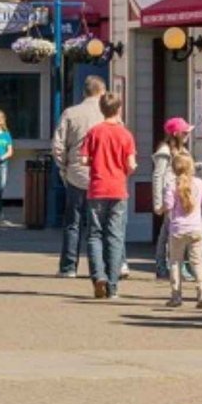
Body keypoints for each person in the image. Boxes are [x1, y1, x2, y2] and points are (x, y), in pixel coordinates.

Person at [79, 92, 136, 299]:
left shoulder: (93, 132)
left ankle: (98, 276)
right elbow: (131, 165)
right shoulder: (125, 134)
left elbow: (84, 160)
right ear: (119, 109)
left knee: (95, 234)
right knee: (115, 237)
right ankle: (112, 286)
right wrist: (125, 170)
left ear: (101, 109)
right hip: (118, 189)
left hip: (97, 188)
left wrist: (97, 162)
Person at [52, 76, 107, 278]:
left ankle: (68, 266)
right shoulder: (108, 115)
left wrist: (65, 167)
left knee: (72, 222)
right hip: (103, 175)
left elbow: (58, 145)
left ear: (84, 92)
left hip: (76, 174)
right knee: (102, 224)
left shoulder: (70, 113)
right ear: (102, 92)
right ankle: (106, 266)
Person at [162, 152, 202, 309]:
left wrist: (159, 209)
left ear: (174, 169)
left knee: (175, 261)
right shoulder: (199, 183)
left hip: (177, 230)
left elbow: (168, 206)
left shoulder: (171, 184)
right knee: (198, 263)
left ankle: (176, 296)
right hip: (196, 229)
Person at [151, 118, 192, 282]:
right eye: (185, 132)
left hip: (182, 194)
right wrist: (157, 202)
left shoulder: (183, 150)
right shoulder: (165, 150)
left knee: (168, 231)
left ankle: (165, 266)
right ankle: (167, 266)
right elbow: (158, 175)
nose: (188, 134)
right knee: (172, 232)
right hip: (170, 195)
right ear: (176, 134)